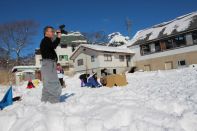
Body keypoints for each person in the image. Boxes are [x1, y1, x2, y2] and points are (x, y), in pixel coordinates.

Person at [40, 26, 62, 103]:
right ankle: (54, 103)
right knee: (53, 82)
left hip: (47, 64)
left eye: (53, 31)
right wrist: (58, 37)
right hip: (49, 63)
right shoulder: (46, 40)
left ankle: (45, 101)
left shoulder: (46, 41)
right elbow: (53, 45)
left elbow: (51, 48)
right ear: (46, 32)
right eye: (51, 31)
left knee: (47, 84)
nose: (53, 32)